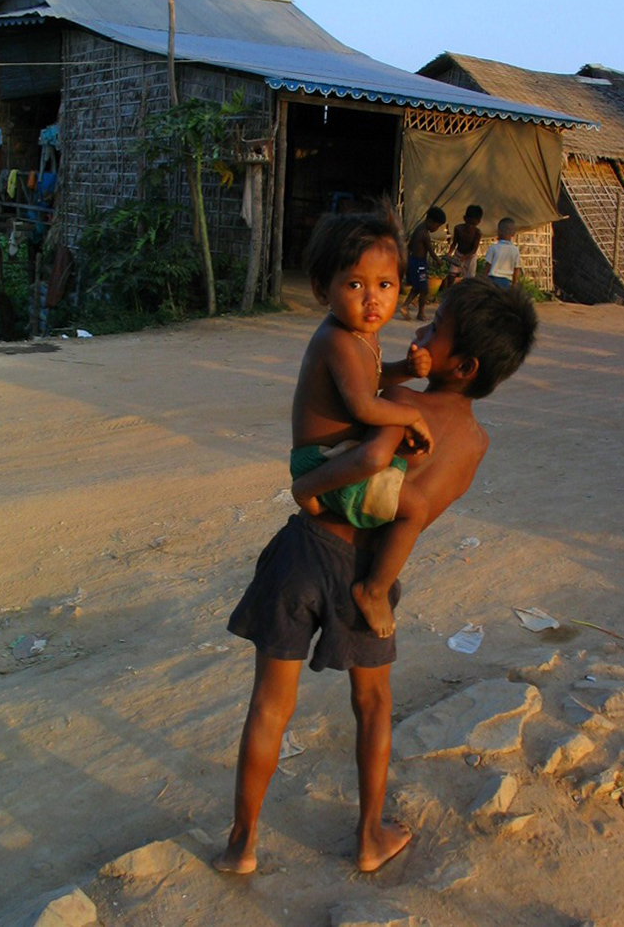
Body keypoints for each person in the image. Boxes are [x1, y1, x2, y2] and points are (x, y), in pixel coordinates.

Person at [213, 278, 538, 877]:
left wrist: (307, 490)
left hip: (309, 547)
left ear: (462, 365)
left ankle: (242, 844)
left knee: (269, 707)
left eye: (433, 328)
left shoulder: (406, 404)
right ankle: (369, 837)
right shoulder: (474, 443)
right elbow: (416, 511)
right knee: (375, 703)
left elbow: (361, 456)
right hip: (370, 574)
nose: (418, 332)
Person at [290, 207, 435, 640]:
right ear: (322, 289)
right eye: (355, 285)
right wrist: (412, 412)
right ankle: (373, 589)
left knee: (403, 460)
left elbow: (370, 380)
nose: (373, 299)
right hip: (325, 463)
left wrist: (404, 371)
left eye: (385, 285)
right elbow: (363, 405)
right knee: (415, 509)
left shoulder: (360, 333)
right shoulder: (336, 340)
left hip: (339, 457)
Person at [400, 206, 446, 322]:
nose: (436, 229)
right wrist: (438, 261)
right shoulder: (424, 234)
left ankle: (406, 306)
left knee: (417, 287)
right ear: (430, 221)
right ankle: (420, 313)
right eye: (437, 226)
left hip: (414, 261)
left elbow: (410, 246)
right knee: (424, 289)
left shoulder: (418, 229)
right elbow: (430, 251)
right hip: (419, 264)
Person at [444, 204, 483, 287]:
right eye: (468, 223)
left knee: (469, 279)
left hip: (470, 256)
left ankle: (466, 295)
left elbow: (474, 250)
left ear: (478, 222)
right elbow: (454, 243)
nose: (470, 226)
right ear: (464, 218)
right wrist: (449, 253)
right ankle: (449, 292)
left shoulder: (478, 233)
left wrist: (465, 257)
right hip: (458, 254)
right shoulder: (458, 228)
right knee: (451, 275)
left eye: (473, 224)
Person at [483, 216, 522, 289]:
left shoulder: (493, 248)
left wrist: (484, 281)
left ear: (499, 232)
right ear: (513, 233)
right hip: (507, 283)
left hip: (492, 281)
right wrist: (514, 284)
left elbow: (487, 266)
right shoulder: (515, 250)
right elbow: (516, 269)